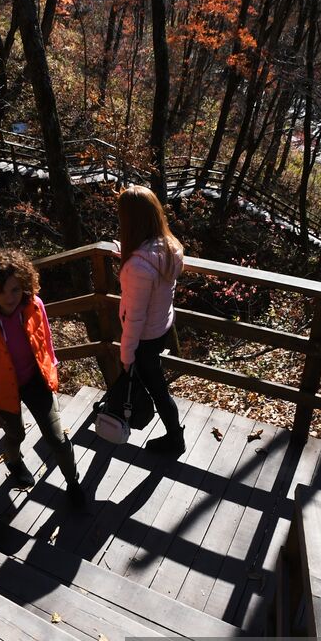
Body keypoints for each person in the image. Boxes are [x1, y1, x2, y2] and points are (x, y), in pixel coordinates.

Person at [0, 249, 87, 508]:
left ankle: (73, 483)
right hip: (0, 388)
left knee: (57, 438)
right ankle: (14, 461)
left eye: (15, 290)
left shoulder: (34, 305)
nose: (9, 298)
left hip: (35, 380)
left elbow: (46, 342)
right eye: (0, 292)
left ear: (25, 286)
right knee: (15, 434)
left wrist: (51, 371)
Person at [117, 185, 186, 456]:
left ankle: (174, 438)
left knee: (156, 388)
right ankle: (172, 434)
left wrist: (126, 355)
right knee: (154, 381)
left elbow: (135, 318)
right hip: (162, 328)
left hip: (144, 338)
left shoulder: (138, 267)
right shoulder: (170, 248)